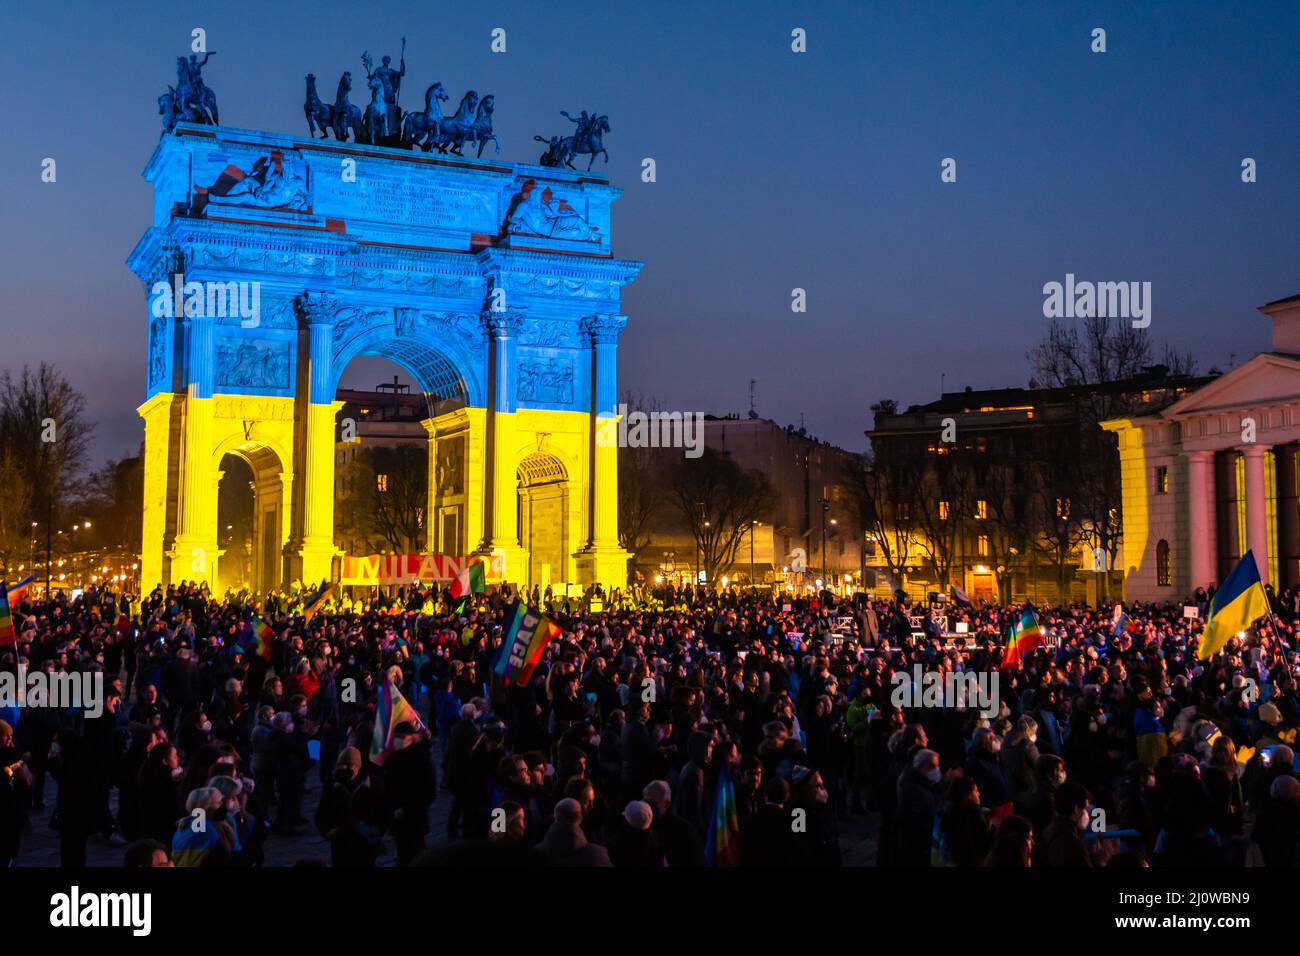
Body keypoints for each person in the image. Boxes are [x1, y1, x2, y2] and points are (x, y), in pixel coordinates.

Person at [537, 798, 611, 866]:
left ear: (555, 816)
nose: (591, 806)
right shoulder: (598, 856)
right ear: (580, 818)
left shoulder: (536, 856)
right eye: (587, 802)